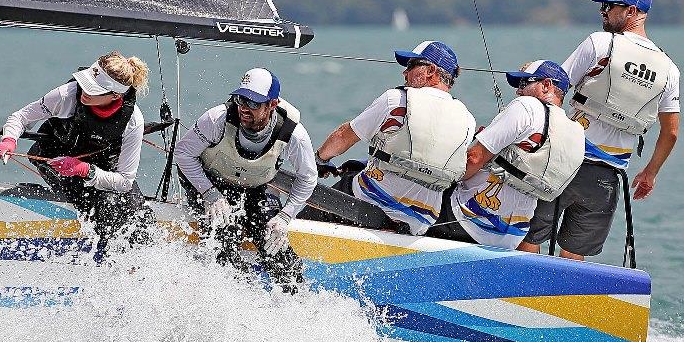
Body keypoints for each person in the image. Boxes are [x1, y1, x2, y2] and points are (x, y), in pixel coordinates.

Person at [519, 0, 681, 260]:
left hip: (564, 162)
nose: (602, 12)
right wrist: (649, 173)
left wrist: (529, 82)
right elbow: (672, 132)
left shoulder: (600, 43)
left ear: (631, 11)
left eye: (609, 6)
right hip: (607, 177)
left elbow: (555, 91)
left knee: (529, 235)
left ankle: (511, 298)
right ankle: (559, 303)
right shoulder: (669, 69)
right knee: (574, 255)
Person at [0, 51, 154, 253]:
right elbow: (21, 117)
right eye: (86, 82)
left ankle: (140, 266)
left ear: (115, 96)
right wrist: (8, 141)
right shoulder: (66, 95)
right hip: (54, 157)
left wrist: (84, 169)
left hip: (98, 166)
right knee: (103, 206)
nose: (84, 90)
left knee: (137, 213)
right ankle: (98, 257)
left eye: (94, 90)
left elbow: (125, 180)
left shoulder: (133, 120)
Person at [174, 68, 316, 291]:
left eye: (254, 103)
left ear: (272, 104)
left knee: (278, 251)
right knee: (224, 239)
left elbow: (308, 178)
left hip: (253, 188)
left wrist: (286, 216)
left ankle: (296, 300)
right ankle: (240, 295)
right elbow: (183, 154)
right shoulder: (216, 119)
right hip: (207, 182)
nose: (244, 108)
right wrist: (209, 193)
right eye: (241, 100)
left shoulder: (294, 134)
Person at [316, 41, 476, 236]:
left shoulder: (396, 98)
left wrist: (320, 160)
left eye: (411, 66)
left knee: (328, 197)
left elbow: (343, 136)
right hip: (422, 220)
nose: (405, 73)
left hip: (373, 202)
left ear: (431, 70)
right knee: (359, 167)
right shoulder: (467, 119)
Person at [428, 61, 585, 249]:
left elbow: (474, 159)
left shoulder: (527, 106)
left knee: (412, 192)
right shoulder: (575, 131)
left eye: (524, 83)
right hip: (513, 235)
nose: (518, 91)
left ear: (546, 85)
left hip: (467, 219)